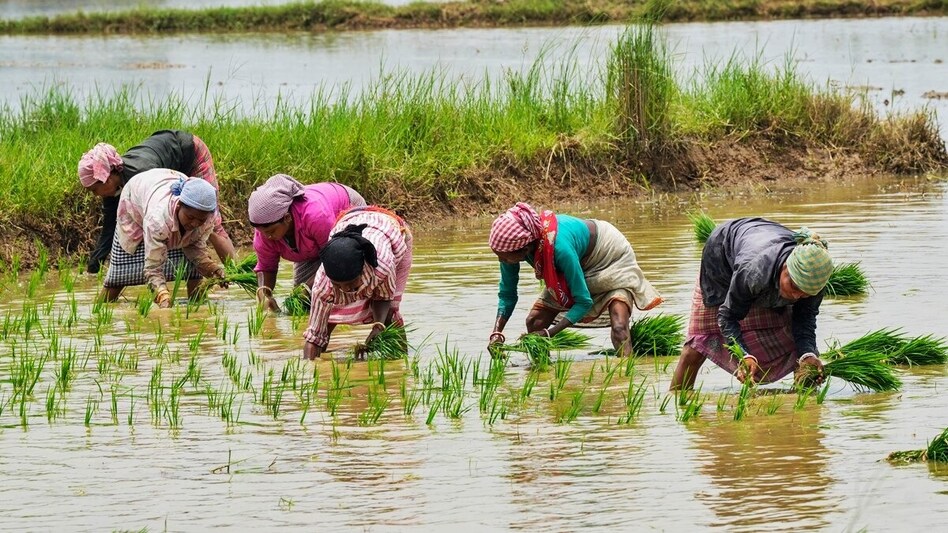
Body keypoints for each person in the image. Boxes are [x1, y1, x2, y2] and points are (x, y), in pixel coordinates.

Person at [670, 217, 834, 391]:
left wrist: (807, 354)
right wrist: (743, 355)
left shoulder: (815, 281)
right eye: (793, 286)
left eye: (805, 293)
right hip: (721, 265)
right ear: (786, 266)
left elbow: (805, 320)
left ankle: (803, 408)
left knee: (803, 355)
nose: (795, 295)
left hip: (760, 254)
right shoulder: (753, 271)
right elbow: (728, 316)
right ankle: (677, 401)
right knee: (696, 347)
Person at [486, 202, 663, 357]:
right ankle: (543, 374)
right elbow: (507, 294)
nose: (502, 261)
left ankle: (626, 376)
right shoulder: (509, 249)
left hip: (608, 256)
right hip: (577, 260)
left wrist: (549, 333)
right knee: (534, 322)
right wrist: (497, 333)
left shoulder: (558, 249)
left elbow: (583, 302)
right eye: (499, 256)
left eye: (504, 257)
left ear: (524, 248)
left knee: (619, 327)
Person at [78, 130, 235, 273]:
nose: (95, 195)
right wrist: (96, 260)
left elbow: (164, 212)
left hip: (190, 154)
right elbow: (109, 225)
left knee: (210, 221)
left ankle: (238, 275)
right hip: (169, 161)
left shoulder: (142, 174)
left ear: (107, 177)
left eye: (94, 190)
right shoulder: (115, 186)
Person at [99, 168, 227, 307]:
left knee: (193, 271)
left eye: (200, 220)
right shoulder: (157, 220)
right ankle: (99, 308)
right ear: (178, 206)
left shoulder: (208, 220)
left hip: (164, 182)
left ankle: (197, 303)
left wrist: (214, 270)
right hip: (135, 199)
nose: (195, 224)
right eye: (190, 217)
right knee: (119, 276)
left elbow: (195, 248)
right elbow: (153, 268)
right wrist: (163, 296)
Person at [302, 206, 412, 360]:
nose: (346, 290)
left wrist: (378, 325)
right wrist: (308, 369)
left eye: (350, 283)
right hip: (348, 220)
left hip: (391, 229)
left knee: (391, 313)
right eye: (338, 285)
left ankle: (401, 360)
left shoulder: (382, 266)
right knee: (327, 318)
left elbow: (383, 297)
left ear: (362, 271)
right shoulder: (322, 285)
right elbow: (313, 336)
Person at [247, 174, 366, 312]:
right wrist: (264, 294)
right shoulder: (264, 233)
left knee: (344, 284)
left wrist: (307, 288)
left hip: (346, 214)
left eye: (272, 231)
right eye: (262, 232)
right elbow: (266, 267)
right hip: (310, 245)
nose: (267, 236)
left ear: (287, 218)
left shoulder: (316, 216)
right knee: (301, 306)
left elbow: (335, 257)